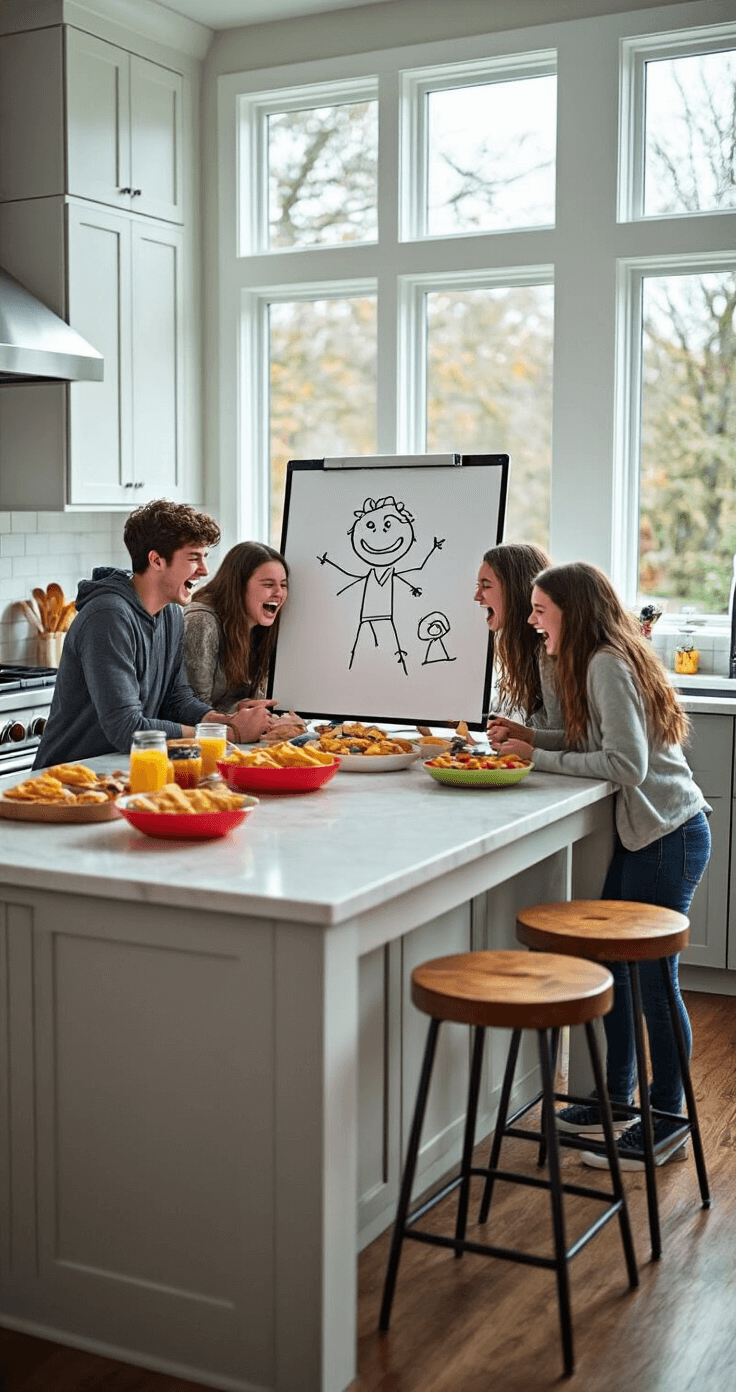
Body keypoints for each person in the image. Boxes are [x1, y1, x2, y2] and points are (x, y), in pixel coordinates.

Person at [488, 562, 711, 1170]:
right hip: (652, 836)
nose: (533, 623)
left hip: (668, 837)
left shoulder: (607, 662)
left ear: (572, 611)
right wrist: (533, 739)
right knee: (607, 965)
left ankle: (666, 1121)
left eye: (541, 611)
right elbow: (590, 744)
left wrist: (535, 763)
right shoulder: (597, 658)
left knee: (651, 983)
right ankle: (615, 1100)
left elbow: (626, 765)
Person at [34, 500, 276, 769]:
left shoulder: (170, 614)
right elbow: (127, 728)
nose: (205, 570)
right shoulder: (108, 617)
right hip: (64, 778)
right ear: (157, 560)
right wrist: (229, 734)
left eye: (204, 558)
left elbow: (177, 699)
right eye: (194, 558)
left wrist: (223, 721)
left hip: (118, 770)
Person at [183, 542, 288, 719]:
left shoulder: (260, 628)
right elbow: (192, 709)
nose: (279, 593)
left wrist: (243, 708)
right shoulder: (202, 621)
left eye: (283, 585)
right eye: (268, 584)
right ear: (239, 586)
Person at [474, 542, 561, 729]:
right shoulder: (520, 651)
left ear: (514, 591)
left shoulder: (550, 654)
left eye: (486, 586)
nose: (477, 596)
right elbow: (508, 714)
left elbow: (556, 735)